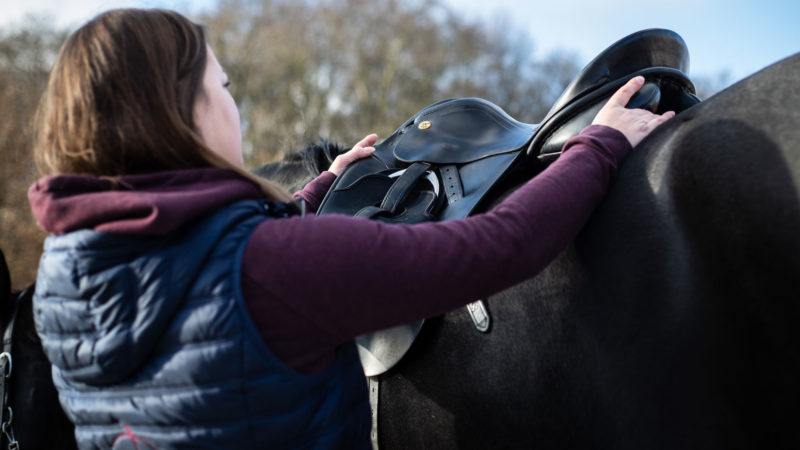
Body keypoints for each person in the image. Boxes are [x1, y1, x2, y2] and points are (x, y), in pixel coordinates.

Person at [28, 8, 674, 450]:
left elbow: (199, 272)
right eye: (221, 86)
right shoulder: (274, 266)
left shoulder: (62, 285)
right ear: (181, 112)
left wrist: (315, 194)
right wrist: (600, 148)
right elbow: (498, 246)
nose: (233, 104)